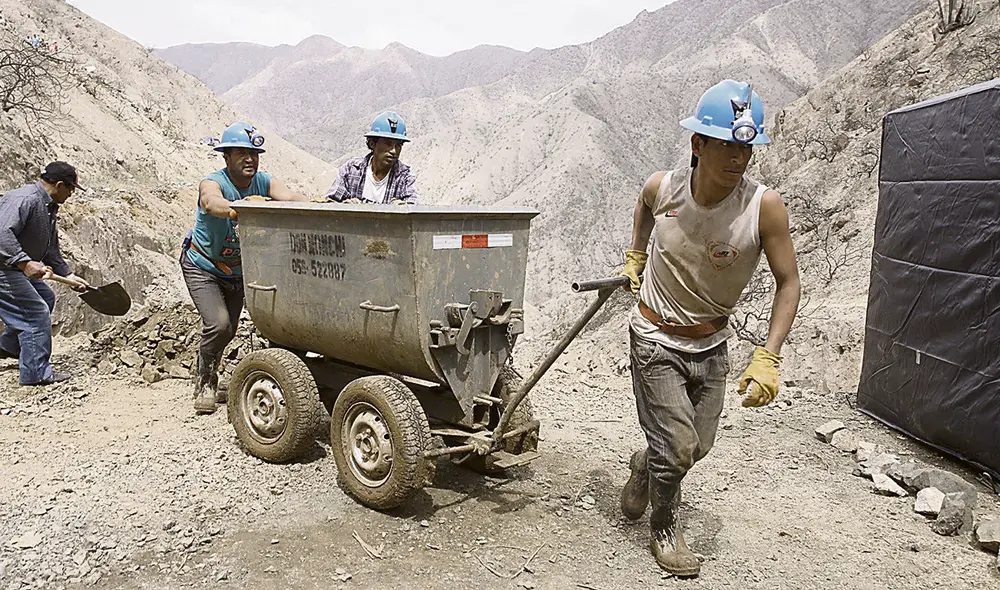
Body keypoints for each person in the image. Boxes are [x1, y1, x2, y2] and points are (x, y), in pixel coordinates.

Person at [617, 80, 801, 577]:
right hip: (655, 337)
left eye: (747, 148)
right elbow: (644, 205)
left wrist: (769, 355)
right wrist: (636, 252)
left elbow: (789, 282)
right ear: (698, 143)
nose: (739, 158)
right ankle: (665, 530)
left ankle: (646, 464)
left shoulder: (763, 207)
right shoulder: (664, 188)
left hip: (712, 343)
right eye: (726, 146)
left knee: (696, 447)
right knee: (677, 448)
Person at [182, 121, 308, 415]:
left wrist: (319, 204)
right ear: (226, 156)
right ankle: (205, 382)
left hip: (238, 271)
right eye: (242, 153)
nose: (250, 159)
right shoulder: (213, 182)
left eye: (254, 153)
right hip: (204, 266)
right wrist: (241, 208)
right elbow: (210, 202)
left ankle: (211, 371)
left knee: (230, 329)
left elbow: (290, 197)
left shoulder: (263, 182)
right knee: (218, 324)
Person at [0, 161, 90, 386]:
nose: (71, 194)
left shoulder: (47, 206)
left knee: (46, 297)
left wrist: (68, 275)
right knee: (35, 312)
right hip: (4, 268)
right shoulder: (25, 199)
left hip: (12, 267)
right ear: (59, 185)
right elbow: (2, 234)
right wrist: (24, 262)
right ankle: (36, 373)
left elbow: (50, 248)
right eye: (71, 188)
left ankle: (9, 347)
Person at [323, 111, 419, 205]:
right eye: (388, 143)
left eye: (398, 145)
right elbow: (329, 204)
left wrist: (401, 208)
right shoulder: (351, 170)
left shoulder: (405, 177)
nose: (394, 151)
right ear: (372, 144)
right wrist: (346, 206)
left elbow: (413, 207)